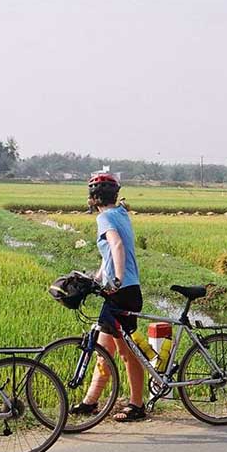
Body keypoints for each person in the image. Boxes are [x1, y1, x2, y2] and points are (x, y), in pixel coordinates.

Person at [70, 170, 146, 422]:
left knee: (126, 352)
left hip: (123, 292)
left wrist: (117, 279)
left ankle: (137, 405)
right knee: (104, 349)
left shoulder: (105, 220)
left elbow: (117, 246)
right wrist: (98, 278)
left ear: (93, 198)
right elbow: (108, 256)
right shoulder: (121, 213)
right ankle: (90, 402)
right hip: (122, 291)